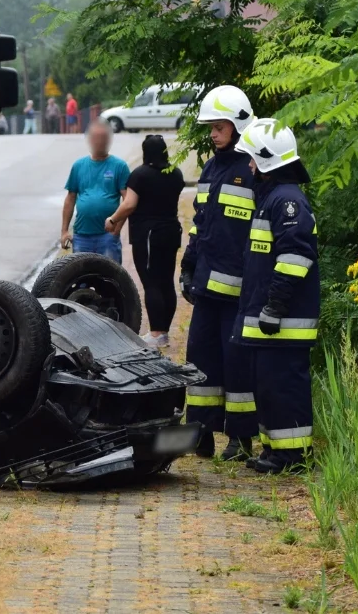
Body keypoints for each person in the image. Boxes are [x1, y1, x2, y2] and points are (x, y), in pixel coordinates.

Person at [232, 119, 318, 473]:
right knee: (268, 388)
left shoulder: (287, 203)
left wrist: (275, 305)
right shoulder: (272, 198)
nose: (249, 166)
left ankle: (293, 457)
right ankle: (274, 452)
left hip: (284, 321)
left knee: (283, 389)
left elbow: (296, 257)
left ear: (267, 161)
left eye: (253, 159)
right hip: (271, 321)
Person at [179, 85, 258, 461]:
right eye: (211, 127)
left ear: (239, 125)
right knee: (200, 360)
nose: (212, 134)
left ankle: (240, 439)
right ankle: (201, 432)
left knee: (236, 364)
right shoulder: (211, 168)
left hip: (240, 290)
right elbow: (200, 223)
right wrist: (189, 264)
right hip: (207, 286)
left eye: (219, 127)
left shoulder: (254, 170)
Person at [104, 135, 185, 348]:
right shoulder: (175, 173)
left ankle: (157, 333)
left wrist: (113, 219)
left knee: (151, 282)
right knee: (167, 280)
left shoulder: (140, 175)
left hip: (149, 235)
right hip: (171, 231)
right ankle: (164, 332)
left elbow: (129, 204)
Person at [60, 122, 130, 263]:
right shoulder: (79, 166)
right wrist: (64, 231)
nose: (100, 142)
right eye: (96, 138)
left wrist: (117, 229)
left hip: (107, 236)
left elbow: (128, 201)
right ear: (90, 140)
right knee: (81, 278)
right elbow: (70, 198)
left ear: (109, 140)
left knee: (110, 279)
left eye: (103, 138)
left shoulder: (119, 166)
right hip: (81, 235)